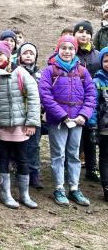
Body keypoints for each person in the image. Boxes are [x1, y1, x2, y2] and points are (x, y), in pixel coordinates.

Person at [39, 35, 96, 207]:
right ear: (58, 49)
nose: (67, 51)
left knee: (74, 155)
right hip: (58, 121)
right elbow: (45, 95)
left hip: (77, 120)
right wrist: (61, 115)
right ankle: (58, 188)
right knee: (58, 155)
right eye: (64, 48)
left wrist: (83, 115)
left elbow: (91, 95)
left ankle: (74, 188)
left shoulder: (82, 71)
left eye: (71, 48)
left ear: (75, 50)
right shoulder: (50, 71)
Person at [0, 41, 41, 209]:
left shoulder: (21, 73)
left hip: (20, 126)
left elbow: (33, 98)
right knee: (3, 158)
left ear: (8, 55)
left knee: (22, 158)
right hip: (1, 126)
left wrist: (32, 122)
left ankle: (24, 194)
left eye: (0, 54)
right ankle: (6, 194)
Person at [72, 21, 101, 182]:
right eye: (80, 32)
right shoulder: (70, 53)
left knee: (90, 135)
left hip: (92, 101)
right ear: (74, 34)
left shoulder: (97, 56)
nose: (84, 35)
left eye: (87, 33)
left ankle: (91, 168)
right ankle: (70, 166)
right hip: (73, 101)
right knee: (74, 136)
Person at [17, 42, 44, 189]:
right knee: (19, 145)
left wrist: (42, 108)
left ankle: (34, 173)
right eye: (25, 53)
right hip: (18, 116)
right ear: (20, 56)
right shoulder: (15, 72)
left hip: (35, 116)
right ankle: (21, 172)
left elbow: (45, 93)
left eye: (31, 53)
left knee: (34, 146)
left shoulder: (41, 74)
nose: (28, 55)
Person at [93, 46, 108, 201]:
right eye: (105, 60)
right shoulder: (97, 81)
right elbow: (93, 105)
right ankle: (106, 187)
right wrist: (93, 125)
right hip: (105, 128)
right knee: (105, 158)